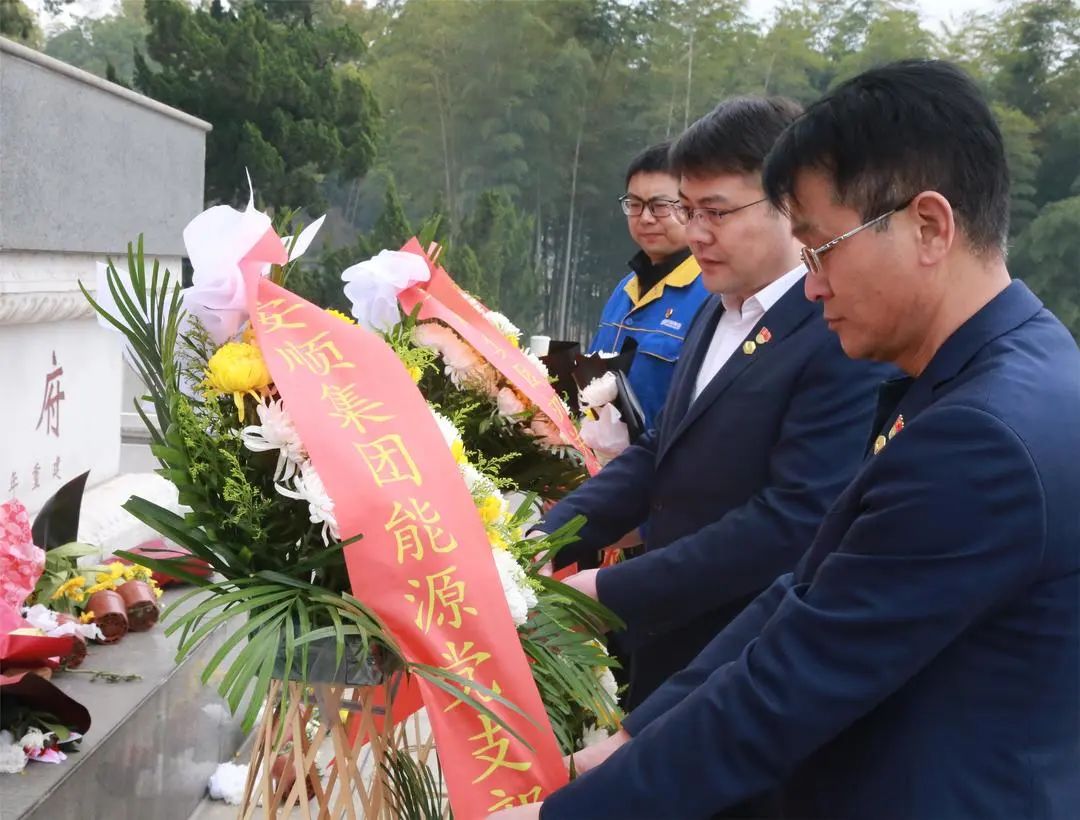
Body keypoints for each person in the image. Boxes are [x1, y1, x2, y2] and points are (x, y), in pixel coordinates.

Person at [496, 60, 1080, 820]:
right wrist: (635, 738)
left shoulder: (980, 439)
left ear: (929, 226)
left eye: (823, 248)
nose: (810, 285)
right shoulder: (1009, 370)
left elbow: (793, 682)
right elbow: (806, 592)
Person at [535, 96, 890, 717]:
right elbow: (659, 452)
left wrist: (610, 587)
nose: (695, 233)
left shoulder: (837, 333)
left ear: (789, 204)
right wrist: (548, 536)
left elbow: (792, 521)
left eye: (717, 212)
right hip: (663, 644)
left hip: (740, 661)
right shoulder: (714, 309)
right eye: (688, 211)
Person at [588, 141, 709, 432]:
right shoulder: (624, 290)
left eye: (659, 206)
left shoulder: (711, 295)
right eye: (635, 204)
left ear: (690, 208)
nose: (645, 218)